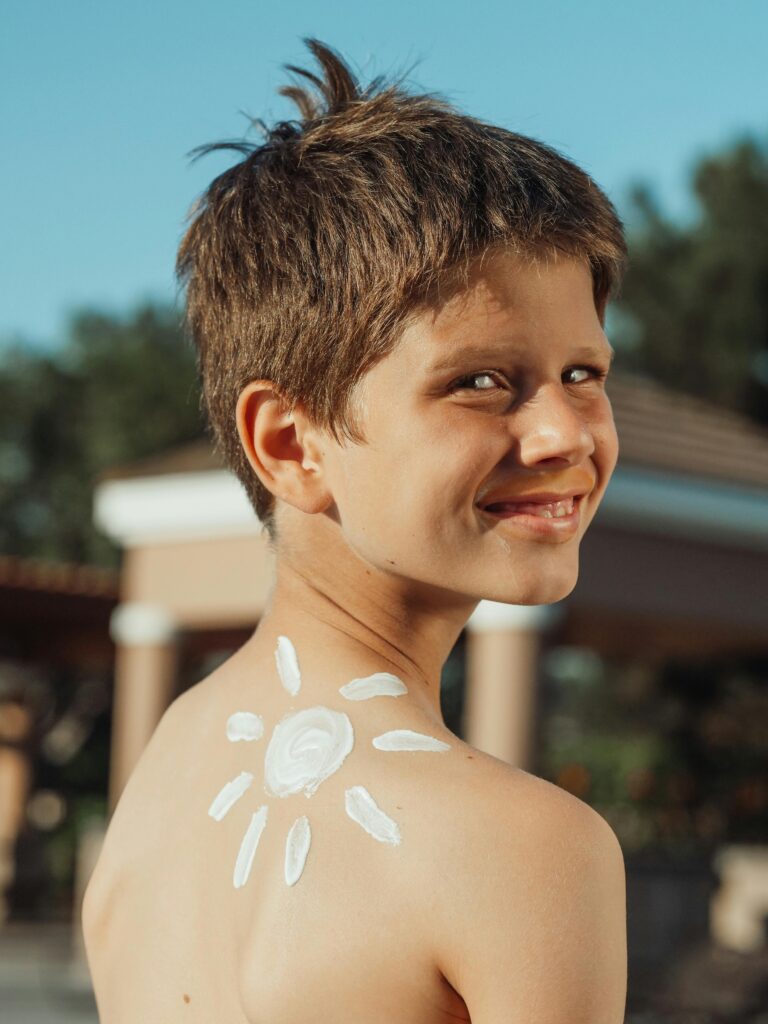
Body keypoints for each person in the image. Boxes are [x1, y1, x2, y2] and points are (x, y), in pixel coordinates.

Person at [82, 37, 628, 1023]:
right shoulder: (522, 848)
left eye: (584, 373)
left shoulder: (165, 770)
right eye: (481, 382)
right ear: (292, 443)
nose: (564, 434)